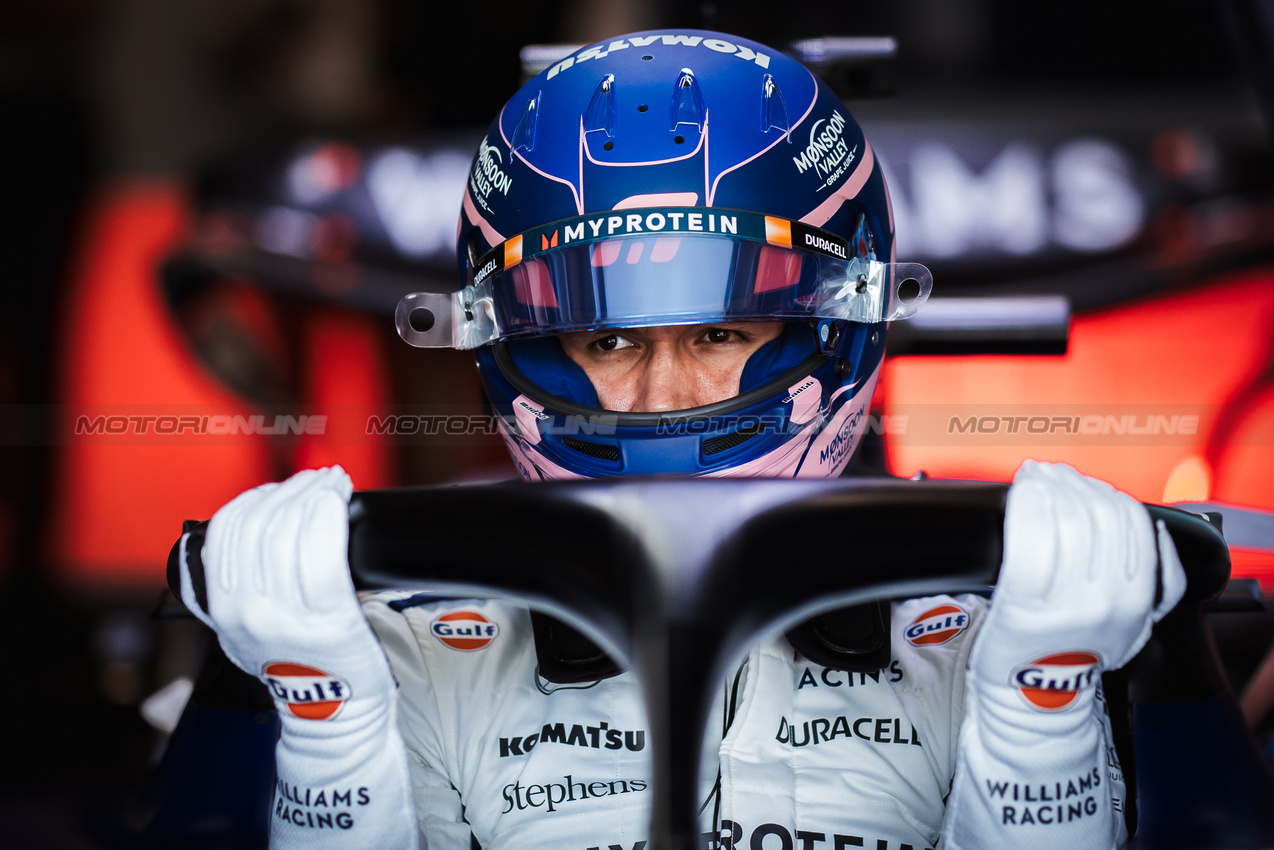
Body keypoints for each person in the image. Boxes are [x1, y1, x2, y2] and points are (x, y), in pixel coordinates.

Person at [178, 29, 1186, 850]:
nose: (662, 395)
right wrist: (328, 727)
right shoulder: (407, 640)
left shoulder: (994, 624)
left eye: (720, 332)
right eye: (607, 337)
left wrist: (1038, 711)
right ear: (506, 335)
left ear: (835, 324)